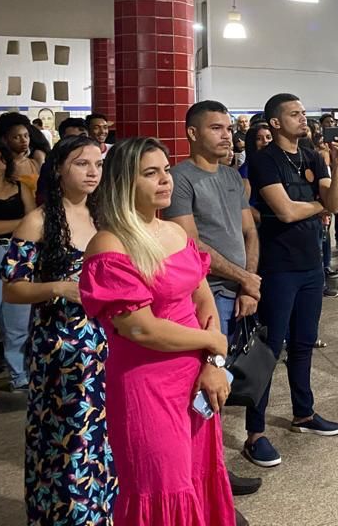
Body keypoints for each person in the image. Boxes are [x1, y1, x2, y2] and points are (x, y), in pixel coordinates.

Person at [79, 137, 235, 524]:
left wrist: (213, 363)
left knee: (198, 476)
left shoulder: (175, 233)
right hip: (147, 385)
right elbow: (141, 329)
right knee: (162, 487)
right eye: (151, 173)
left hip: (197, 379)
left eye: (166, 170)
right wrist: (212, 341)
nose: (165, 180)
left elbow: (203, 301)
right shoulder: (110, 244)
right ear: (124, 183)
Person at [0, 135, 118, 522]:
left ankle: (103, 512)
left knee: (105, 435)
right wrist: (59, 288)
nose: (92, 172)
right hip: (61, 350)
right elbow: (12, 289)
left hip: (107, 341)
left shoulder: (103, 216)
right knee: (68, 440)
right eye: (82, 164)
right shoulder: (37, 221)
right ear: (58, 169)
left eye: (98, 165)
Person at [163, 101, 264, 497]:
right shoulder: (180, 180)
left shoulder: (231, 176)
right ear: (192, 133)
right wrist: (244, 279)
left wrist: (248, 284)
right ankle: (206, 473)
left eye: (228, 127)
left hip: (239, 291)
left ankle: (214, 468)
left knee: (227, 380)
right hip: (207, 296)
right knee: (206, 385)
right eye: (216, 128)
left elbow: (249, 231)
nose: (226, 135)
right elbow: (191, 243)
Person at [244, 94, 338, 468]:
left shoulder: (312, 157)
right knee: (270, 348)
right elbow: (285, 212)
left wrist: (337, 166)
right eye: (294, 114)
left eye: (303, 113)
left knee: (304, 343)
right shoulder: (264, 160)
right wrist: (322, 206)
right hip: (278, 267)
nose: (303, 118)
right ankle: (255, 433)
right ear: (275, 123)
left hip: (310, 265)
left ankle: (303, 413)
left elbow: (336, 202)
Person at [0, 139, 36, 403]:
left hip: (18, 254)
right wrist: (20, 224)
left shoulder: (20, 187)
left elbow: (34, 221)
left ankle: (19, 376)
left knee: (18, 323)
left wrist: (18, 226)